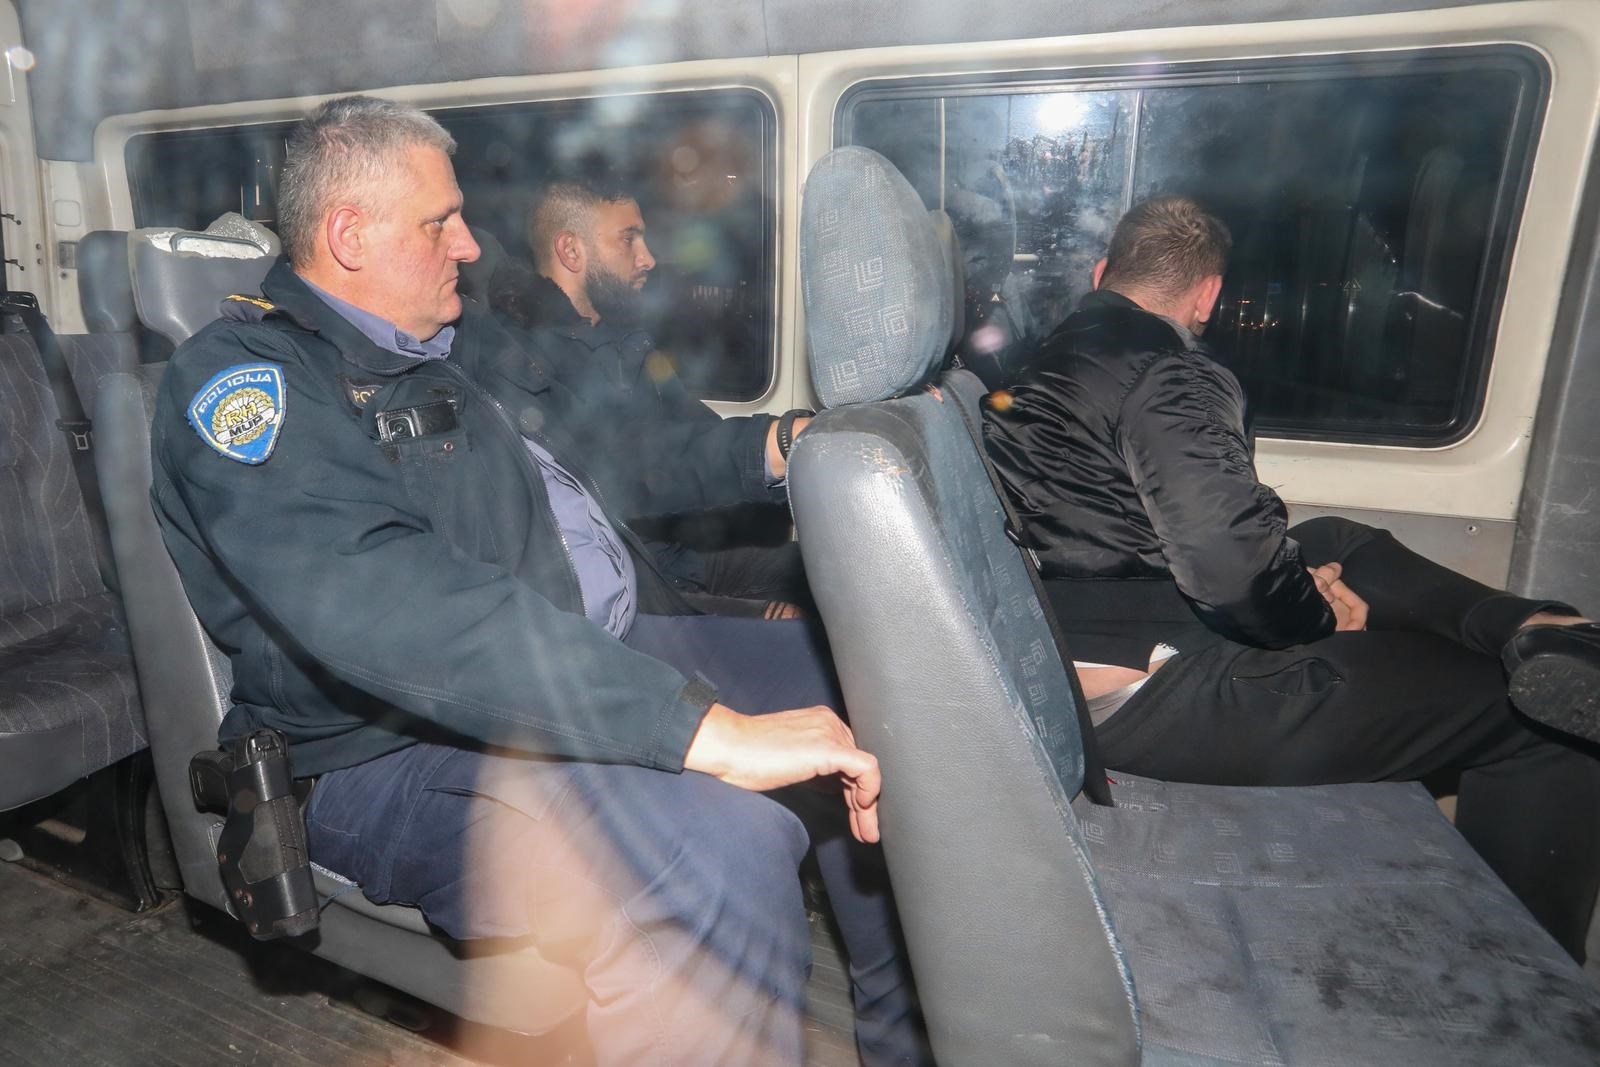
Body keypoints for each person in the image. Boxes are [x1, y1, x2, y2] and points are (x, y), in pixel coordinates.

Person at [151, 95, 928, 1065]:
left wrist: (779, 443)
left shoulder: (454, 342)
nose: (470, 245)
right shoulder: (246, 381)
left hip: (583, 650)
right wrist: (699, 730)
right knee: (716, 847)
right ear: (349, 235)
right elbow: (391, 606)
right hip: (384, 747)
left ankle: (902, 1044)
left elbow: (621, 449)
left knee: (860, 687)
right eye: (440, 222)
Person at [982, 193, 1600, 959]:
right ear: (1208, 294)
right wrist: (1318, 617)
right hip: (1150, 692)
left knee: (1332, 538)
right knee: (1532, 713)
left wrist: (1299, 577)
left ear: (1103, 272)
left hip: (1084, 651)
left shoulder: (1033, 363)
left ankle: (1535, 624)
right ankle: (1528, 976)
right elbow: (1231, 576)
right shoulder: (1170, 373)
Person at [487, 171, 812, 614]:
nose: (648, 259)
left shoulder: (624, 337)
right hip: (630, 583)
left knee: (839, 571)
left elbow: (696, 429)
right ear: (571, 250)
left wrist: (787, 449)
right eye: (629, 240)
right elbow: (630, 466)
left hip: (679, 554)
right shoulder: (521, 358)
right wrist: (776, 443)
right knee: (794, 629)